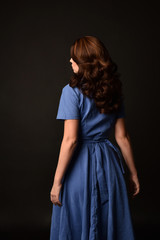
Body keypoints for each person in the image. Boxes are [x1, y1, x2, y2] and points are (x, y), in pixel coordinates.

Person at [49, 35, 140, 240]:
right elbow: (122, 137)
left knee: (75, 219)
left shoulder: (71, 92)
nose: (70, 61)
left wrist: (57, 181)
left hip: (79, 166)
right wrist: (133, 174)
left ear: (84, 63)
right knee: (109, 220)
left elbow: (70, 140)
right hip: (109, 165)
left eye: (74, 58)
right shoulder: (114, 89)